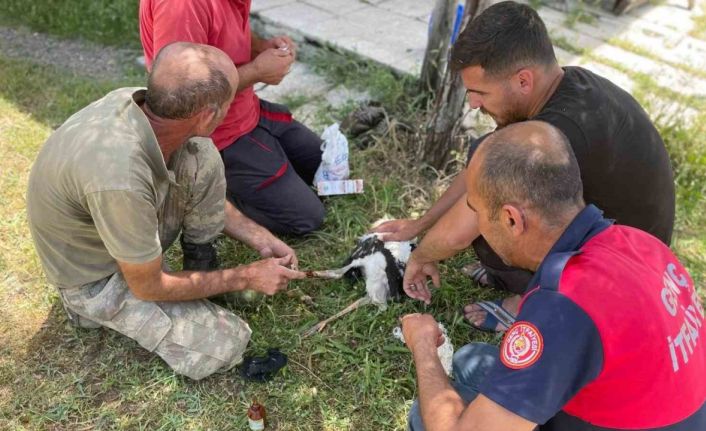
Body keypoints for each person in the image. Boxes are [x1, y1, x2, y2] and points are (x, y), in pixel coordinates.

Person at [373, 1, 675, 331]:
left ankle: (526, 301)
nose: (473, 103)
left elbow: (465, 223)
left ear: (523, 81)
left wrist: (422, 255)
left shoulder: (561, 131)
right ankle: (521, 279)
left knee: (493, 219)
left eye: (479, 92)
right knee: (486, 160)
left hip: (625, 277)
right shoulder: (561, 87)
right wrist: (421, 223)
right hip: (626, 245)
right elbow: (481, 168)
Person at [26, 42, 306, 380]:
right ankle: (88, 310)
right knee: (227, 343)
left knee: (201, 154)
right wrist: (245, 276)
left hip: (119, 228)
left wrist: (259, 236)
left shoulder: (143, 105)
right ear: (208, 115)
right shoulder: (120, 177)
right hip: (95, 277)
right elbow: (148, 286)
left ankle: (200, 264)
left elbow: (192, 174)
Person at [401, 121, 706, 431]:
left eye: (477, 212)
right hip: (660, 412)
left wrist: (424, 347)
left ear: (511, 219)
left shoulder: (563, 306)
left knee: (425, 417)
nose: (477, 224)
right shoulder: (638, 242)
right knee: (472, 359)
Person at [139, 0, 325, 237]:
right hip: (214, 134)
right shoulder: (181, 6)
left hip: (248, 109)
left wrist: (259, 47)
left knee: (325, 166)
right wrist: (257, 71)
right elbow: (182, 93)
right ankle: (204, 193)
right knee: (307, 218)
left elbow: (226, 29)